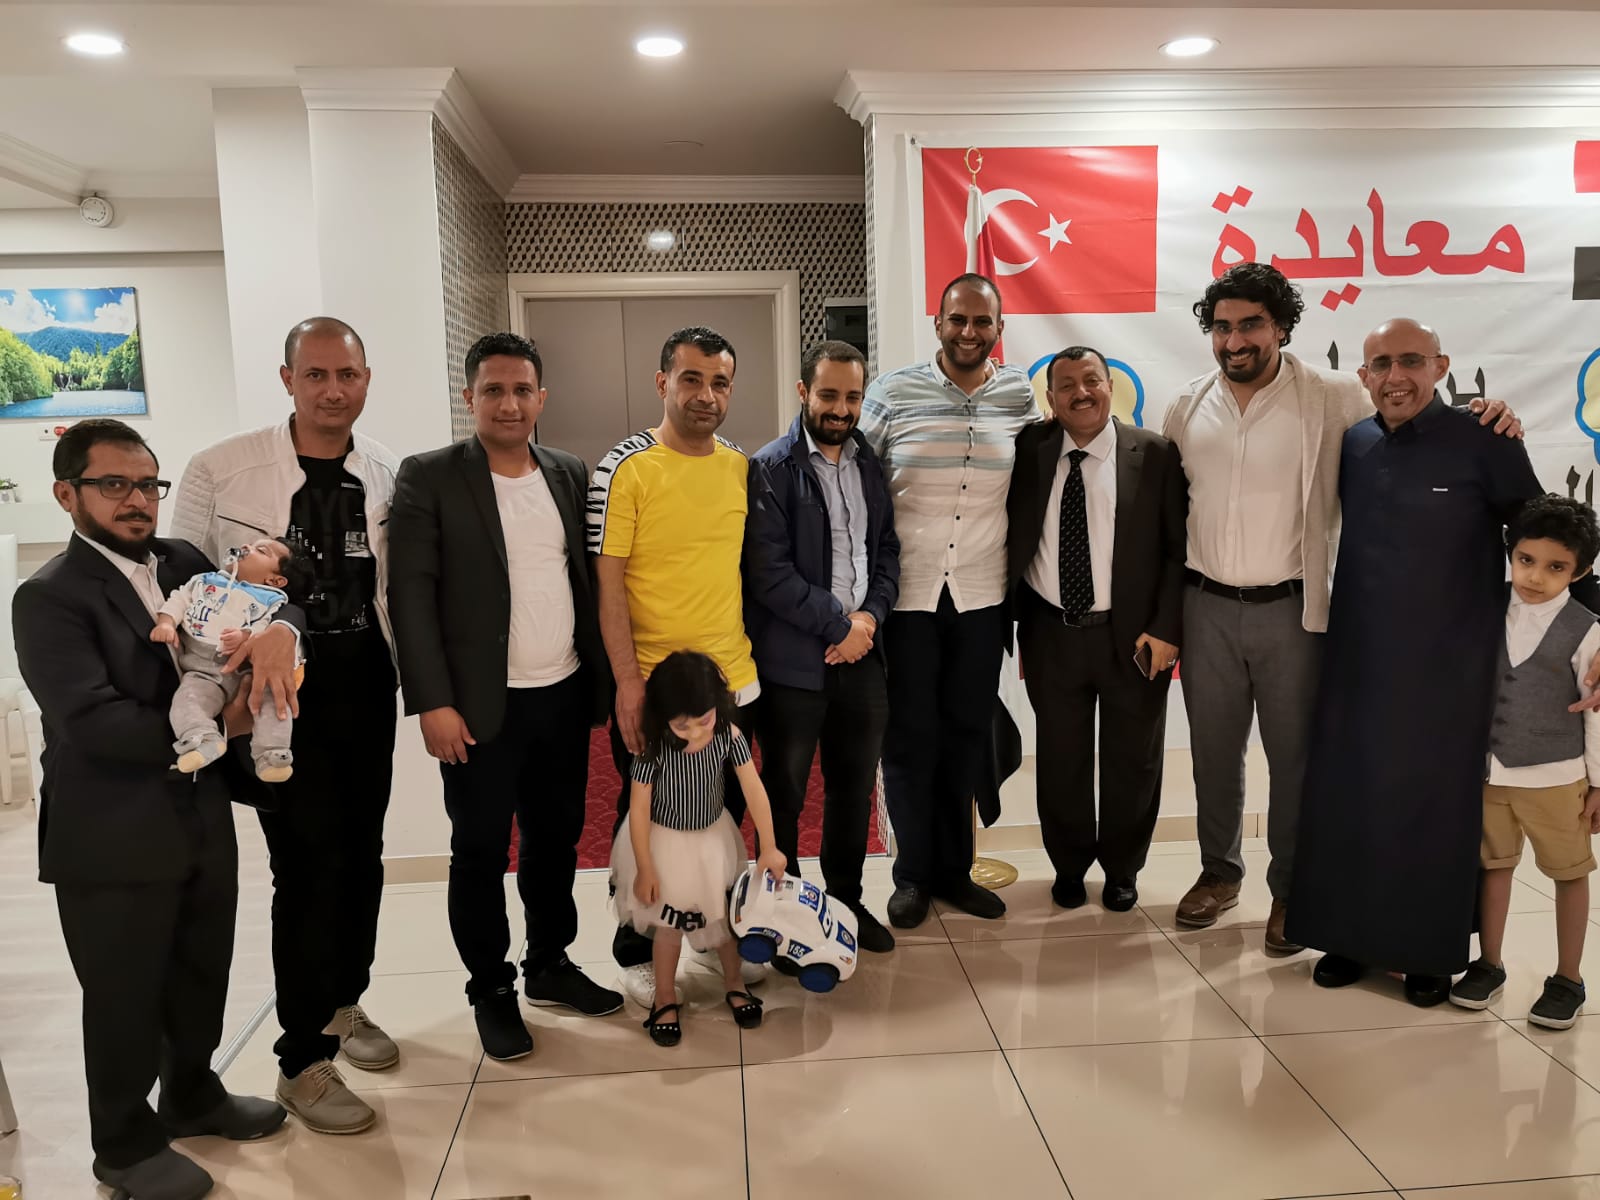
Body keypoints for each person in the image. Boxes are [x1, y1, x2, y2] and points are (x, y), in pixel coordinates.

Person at [1163, 264, 1519, 954]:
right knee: (1212, 753)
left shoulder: (1335, 397)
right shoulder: (1185, 405)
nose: (1235, 340)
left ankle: (1292, 890)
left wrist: (1491, 414)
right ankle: (1219, 872)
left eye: (1251, 324)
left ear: (1281, 327)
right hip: (1204, 605)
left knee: (1297, 761)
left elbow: (1409, 423)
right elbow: (1167, 508)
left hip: (1296, 609)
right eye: (1223, 327)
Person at [15, 420, 301, 1200]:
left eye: (148, 484)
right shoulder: (48, 597)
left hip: (199, 810)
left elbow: (268, 597)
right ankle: (123, 1144)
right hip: (110, 827)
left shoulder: (182, 561)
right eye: (115, 485)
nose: (137, 500)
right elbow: (92, 722)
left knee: (201, 968)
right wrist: (225, 726)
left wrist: (284, 631)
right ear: (66, 493)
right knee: (124, 993)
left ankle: (192, 1095)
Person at [1287, 319, 1598, 1006]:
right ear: (1363, 375)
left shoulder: (1485, 437)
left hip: (1450, 665)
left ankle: (1425, 951)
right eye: (1380, 364)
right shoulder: (1354, 441)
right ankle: (1346, 939)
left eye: (1411, 361)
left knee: (1431, 811)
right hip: (1359, 658)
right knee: (1351, 799)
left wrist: (1596, 626)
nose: (1395, 377)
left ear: (1441, 365)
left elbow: (1550, 535)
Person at [170, 316, 400, 1135]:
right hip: (272, 695)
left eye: (348, 375)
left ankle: (340, 1001)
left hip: (365, 685)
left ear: (366, 379)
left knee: (362, 857)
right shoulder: (221, 468)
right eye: (316, 375)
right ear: (287, 379)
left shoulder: (383, 471)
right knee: (306, 869)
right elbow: (179, 577)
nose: (333, 390)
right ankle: (302, 1058)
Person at [388, 331, 622, 1063]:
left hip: (561, 694)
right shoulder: (429, 476)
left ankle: (548, 963)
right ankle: (490, 987)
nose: (509, 403)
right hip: (477, 709)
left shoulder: (567, 471)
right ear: (470, 397)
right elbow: (410, 596)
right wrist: (432, 701)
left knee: (555, 842)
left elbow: (582, 576)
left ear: (541, 398)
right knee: (480, 851)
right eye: (494, 390)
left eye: (522, 390)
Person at [858, 273, 1043, 929]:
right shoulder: (892, 392)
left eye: (982, 321)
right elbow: (856, 477)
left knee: (967, 736)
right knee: (910, 740)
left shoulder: (1019, 395)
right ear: (938, 324)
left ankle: (956, 872)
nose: (969, 332)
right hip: (907, 596)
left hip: (982, 596)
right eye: (957, 320)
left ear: (999, 329)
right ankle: (912, 876)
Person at [588, 326, 764, 1006]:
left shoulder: (738, 465)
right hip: (655, 690)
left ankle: (707, 934)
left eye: (719, 383)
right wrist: (628, 683)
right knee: (648, 820)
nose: (706, 395)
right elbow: (608, 585)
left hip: (732, 682)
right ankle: (636, 945)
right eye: (691, 379)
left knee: (718, 818)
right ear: (663, 382)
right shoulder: (625, 468)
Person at [1006, 346, 1188, 911]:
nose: (1080, 393)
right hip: (1051, 634)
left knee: (1134, 760)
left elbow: (1177, 551)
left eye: (1091, 381)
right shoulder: (1029, 449)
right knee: (1061, 759)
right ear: (1050, 398)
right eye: (1066, 385)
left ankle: (1122, 868)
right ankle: (1068, 864)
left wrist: (1167, 628)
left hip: (1134, 638)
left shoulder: (1154, 454)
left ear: (1111, 386)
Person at [744, 340, 900, 953]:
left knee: (853, 789)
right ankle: (783, 912)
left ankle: (846, 902)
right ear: (803, 391)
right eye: (829, 394)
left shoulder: (869, 462)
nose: (841, 408)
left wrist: (870, 619)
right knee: (784, 793)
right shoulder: (770, 467)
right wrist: (840, 628)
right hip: (793, 664)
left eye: (852, 397)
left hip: (862, 657)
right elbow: (769, 573)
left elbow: (886, 552)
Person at [1450, 496, 1600, 1027]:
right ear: (1511, 554)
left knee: (1568, 873)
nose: (1535, 577)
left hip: (1557, 778)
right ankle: (1489, 963)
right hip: (1490, 773)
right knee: (1494, 866)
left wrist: (1598, 783)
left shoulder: (1587, 629)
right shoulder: (1486, 609)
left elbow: (1595, 713)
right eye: (1526, 560)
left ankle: (1568, 978)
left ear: (1578, 572)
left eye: (1556, 567)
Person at [609, 652, 787, 1046]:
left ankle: (735, 983)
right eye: (681, 725)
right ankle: (665, 998)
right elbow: (639, 808)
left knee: (721, 919)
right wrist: (645, 867)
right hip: (665, 844)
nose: (694, 734)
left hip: (712, 840)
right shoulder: (654, 746)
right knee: (668, 927)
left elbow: (753, 787)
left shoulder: (727, 734)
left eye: (702, 721)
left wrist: (770, 847)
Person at [153, 536, 313, 783]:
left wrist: (246, 635)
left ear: (275, 580)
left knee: (274, 702)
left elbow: (266, 627)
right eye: (250, 544)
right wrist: (166, 622)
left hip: (249, 671)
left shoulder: (269, 598)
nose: (247, 547)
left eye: (261, 550)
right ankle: (201, 738)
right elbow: (180, 599)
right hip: (203, 670)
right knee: (187, 699)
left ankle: (272, 753)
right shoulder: (205, 581)